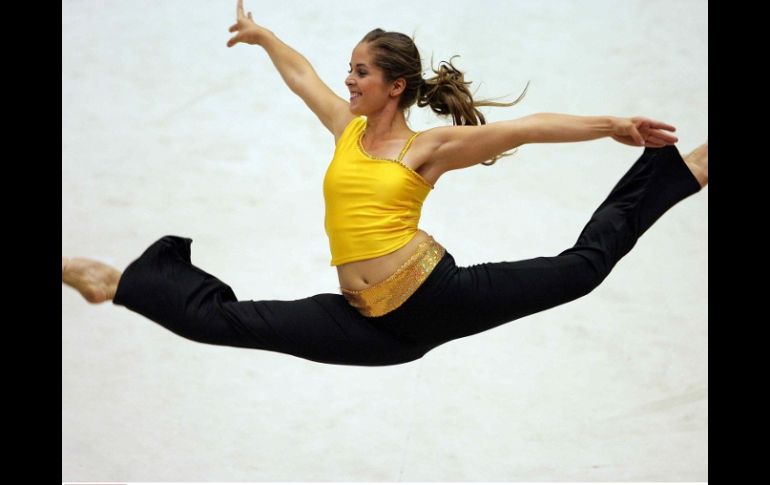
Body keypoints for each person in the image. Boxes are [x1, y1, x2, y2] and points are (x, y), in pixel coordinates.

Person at [62, 0, 708, 367]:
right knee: (223, 323)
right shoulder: (348, 130)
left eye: (362, 72)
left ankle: (686, 167)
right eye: (350, 68)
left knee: (583, 268)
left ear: (395, 85)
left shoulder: (424, 149)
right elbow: (304, 76)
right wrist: (263, 36)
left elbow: (527, 128)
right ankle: (111, 281)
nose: (348, 80)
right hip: (367, 327)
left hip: (434, 297)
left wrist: (612, 124)